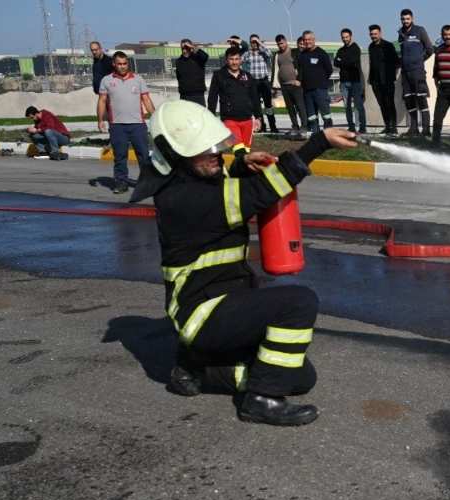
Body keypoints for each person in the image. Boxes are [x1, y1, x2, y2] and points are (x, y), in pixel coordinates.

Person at [129, 101, 361, 426]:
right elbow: (263, 191)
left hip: (226, 302)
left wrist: (239, 163)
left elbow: (218, 180)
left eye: (215, 147)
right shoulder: (184, 200)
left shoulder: (193, 183)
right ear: (175, 156)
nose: (215, 154)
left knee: (301, 376)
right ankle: (261, 399)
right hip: (202, 314)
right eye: (204, 150)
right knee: (298, 301)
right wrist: (318, 143)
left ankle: (197, 370)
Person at [97, 51, 154, 194]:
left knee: (144, 155)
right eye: (119, 64)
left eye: (125, 63)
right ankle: (121, 182)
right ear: (114, 64)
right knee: (120, 156)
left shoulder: (138, 79)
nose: (122, 66)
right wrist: (100, 120)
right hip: (117, 126)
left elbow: (146, 99)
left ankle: (147, 183)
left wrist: (156, 116)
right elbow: (102, 101)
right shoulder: (106, 80)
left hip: (138, 125)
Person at [208, 46, 262, 149]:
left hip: (247, 120)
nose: (234, 62)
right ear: (226, 60)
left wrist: (258, 117)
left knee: (246, 150)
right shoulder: (219, 76)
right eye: (231, 59)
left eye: (237, 59)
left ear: (241, 60)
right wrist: (211, 117)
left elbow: (254, 98)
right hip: (229, 120)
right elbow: (212, 98)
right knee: (238, 149)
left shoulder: (247, 76)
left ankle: (240, 165)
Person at [397, 9, 434, 137]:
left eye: (407, 19)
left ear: (412, 18)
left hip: (417, 72)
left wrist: (419, 60)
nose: (405, 21)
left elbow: (430, 49)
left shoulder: (420, 30)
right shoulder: (400, 33)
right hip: (405, 73)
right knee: (409, 100)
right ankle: (413, 129)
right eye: (403, 19)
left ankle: (426, 129)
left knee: (421, 99)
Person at [296, 31, 334, 132]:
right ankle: (316, 136)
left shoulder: (321, 53)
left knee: (326, 115)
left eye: (309, 39)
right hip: (307, 91)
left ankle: (329, 136)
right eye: (305, 40)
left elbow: (329, 70)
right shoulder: (302, 55)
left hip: (320, 90)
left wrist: (320, 80)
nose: (307, 42)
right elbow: (300, 71)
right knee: (312, 116)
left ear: (313, 40)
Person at [367, 26, 401, 136]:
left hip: (387, 81)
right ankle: (387, 126)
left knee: (390, 104)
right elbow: (372, 64)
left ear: (380, 33)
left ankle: (394, 128)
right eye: (371, 34)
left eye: (375, 34)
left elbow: (397, 62)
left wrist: (392, 76)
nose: (373, 36)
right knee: (382, 105)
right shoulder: (371, 47)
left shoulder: (388, 46)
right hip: (375, 82)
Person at [334, 28, 367, 134]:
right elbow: (336, 62)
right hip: (344, 82)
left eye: (346, 37)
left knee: (358, 105)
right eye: (343, 37)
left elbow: (353, 62)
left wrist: (342, 61)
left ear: (351, 36)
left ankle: (362, 127)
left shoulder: (355, 48)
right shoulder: (340, 50)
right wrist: (345, 62)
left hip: (355, 81)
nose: (345, 39)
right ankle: (351, 126)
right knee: (346, 106)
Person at [243, 34, 277, 134]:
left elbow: (270, 54)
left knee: (268, 105)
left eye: (255, 42)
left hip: (264, 81)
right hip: (253, 82)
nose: (254, 44)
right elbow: (239, 61)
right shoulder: (247, 53)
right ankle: (261, 126)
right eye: (252, 42)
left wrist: (260, 43)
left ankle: (273, 126)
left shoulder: (263, 52)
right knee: (256, 107)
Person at [273, 34, 306, 138]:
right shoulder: (277, 55)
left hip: (296, 85)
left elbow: (301, 68)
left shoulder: (295, 52)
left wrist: (299, 80)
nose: (280, 46)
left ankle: (304, 126)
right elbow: (275, 69)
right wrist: (275, 85)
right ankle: (295, 126)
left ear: (286, 42)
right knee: (290, 108)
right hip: (284, 85)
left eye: (282, 43)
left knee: (300, 107)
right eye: (278, 44)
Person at [175, 39, 209, 105]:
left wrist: (192, 47)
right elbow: (179, 77)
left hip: (198, 95)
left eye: (186, 47)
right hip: (184, 96)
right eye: (182, 48)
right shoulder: (178, 61)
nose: (184, 50)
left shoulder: (198, 58)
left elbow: (205, 56)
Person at [89, 41, 114, 113]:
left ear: (100, 49)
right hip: (101, 94)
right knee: (102, 117)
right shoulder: (95, 62)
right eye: (92, 50)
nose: (94, 52)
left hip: (110, 95)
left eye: (96, 50)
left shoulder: (109, 61)